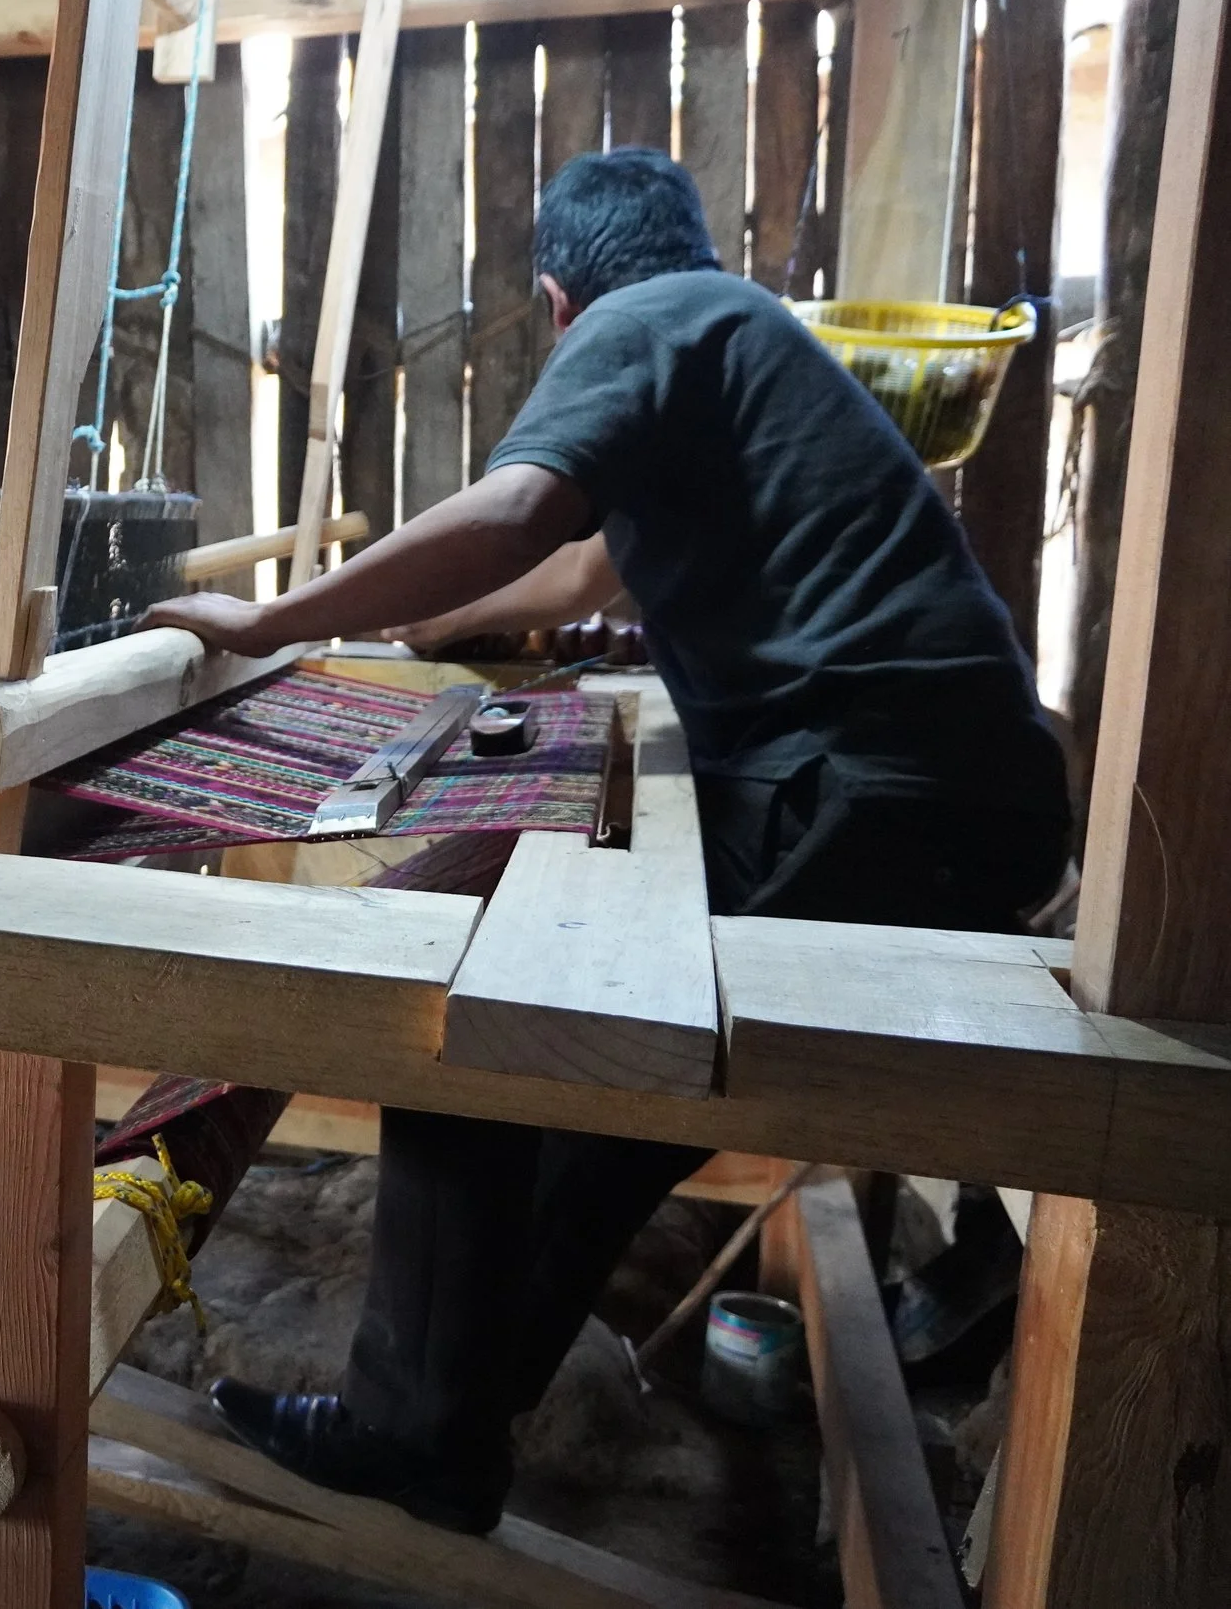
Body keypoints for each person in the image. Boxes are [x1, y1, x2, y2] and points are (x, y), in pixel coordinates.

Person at [140, 146, 1069, 1535]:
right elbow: (591, 565)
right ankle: (443, 1424)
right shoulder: (729, 328)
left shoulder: (646, 321)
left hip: (875, 796)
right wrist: (437, 623)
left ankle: (418, 1427)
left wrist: (274, 619)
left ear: (560, 300)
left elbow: (520, 512)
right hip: (943, 798)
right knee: (584, 1118)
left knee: (475, 1027)